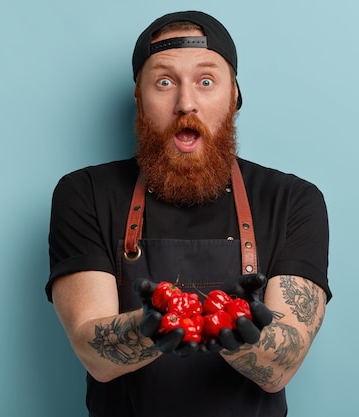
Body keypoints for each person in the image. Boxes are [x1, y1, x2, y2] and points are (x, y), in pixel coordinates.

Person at [45, 10, 331, 417]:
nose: (186, 103)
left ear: (234, 95)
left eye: (206, 81)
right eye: (164, 82)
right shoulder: (85, 194)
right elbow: (95, 355)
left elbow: (281, 369)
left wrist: (238, 333)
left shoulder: (292, 200)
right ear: (139, 98)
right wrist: (154, 327)